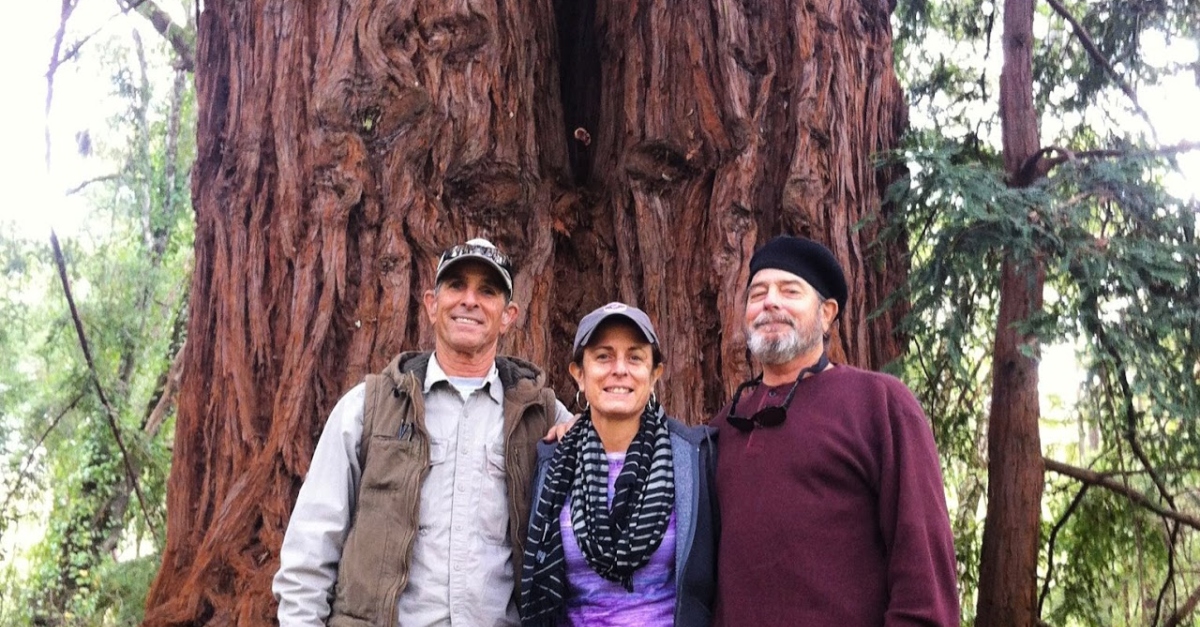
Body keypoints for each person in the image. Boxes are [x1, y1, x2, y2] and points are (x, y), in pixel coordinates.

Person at [273, 238, 573, 627]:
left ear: (508, 315)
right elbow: (310, 550)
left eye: (487, 290)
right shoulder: (368, 407)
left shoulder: (543, 415)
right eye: (456, 285)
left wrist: (584, 434)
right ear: (432, 304)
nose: (470, 300)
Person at [712, 235, 959, 626]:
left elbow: (923, 574)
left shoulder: (880, 405)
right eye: (757, 293)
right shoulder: (724, 425)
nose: (770, 301)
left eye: (789, 290)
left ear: (827, 313)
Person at [521, 302, 717, 627]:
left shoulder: (693, 458)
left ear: (654, 374)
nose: (620, 369)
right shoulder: (554, 464)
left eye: (635, 357)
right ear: (579, 375)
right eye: (603, 356)